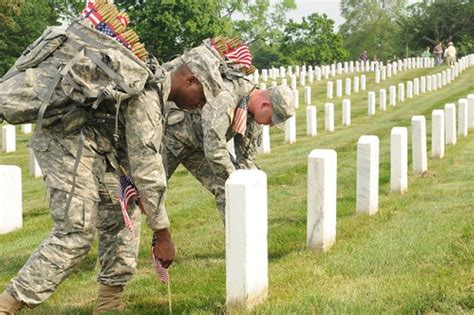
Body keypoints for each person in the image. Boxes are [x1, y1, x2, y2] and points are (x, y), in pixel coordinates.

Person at [0, 5, 216, 314]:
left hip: (92, 148)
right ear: (191, 81)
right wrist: (163, 232)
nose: (200, 106)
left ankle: (109, 304)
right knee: (75, 232)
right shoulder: (147, 95)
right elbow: (147, 164)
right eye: (203, 97)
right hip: (67, 141)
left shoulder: (147, 85)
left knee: (122, 214)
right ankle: (7, 305)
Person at [163, 40, 295, 220]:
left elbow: (247, 158)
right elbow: (214, 148)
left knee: (228, 190)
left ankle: (239, 244)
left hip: (198, 146)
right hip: (170, 138)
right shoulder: (227, 97)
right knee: (143, 192)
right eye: (273, 118)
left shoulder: (252, 115)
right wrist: (235, 180)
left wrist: (252, 188)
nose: (270, 125)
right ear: (265, 104)